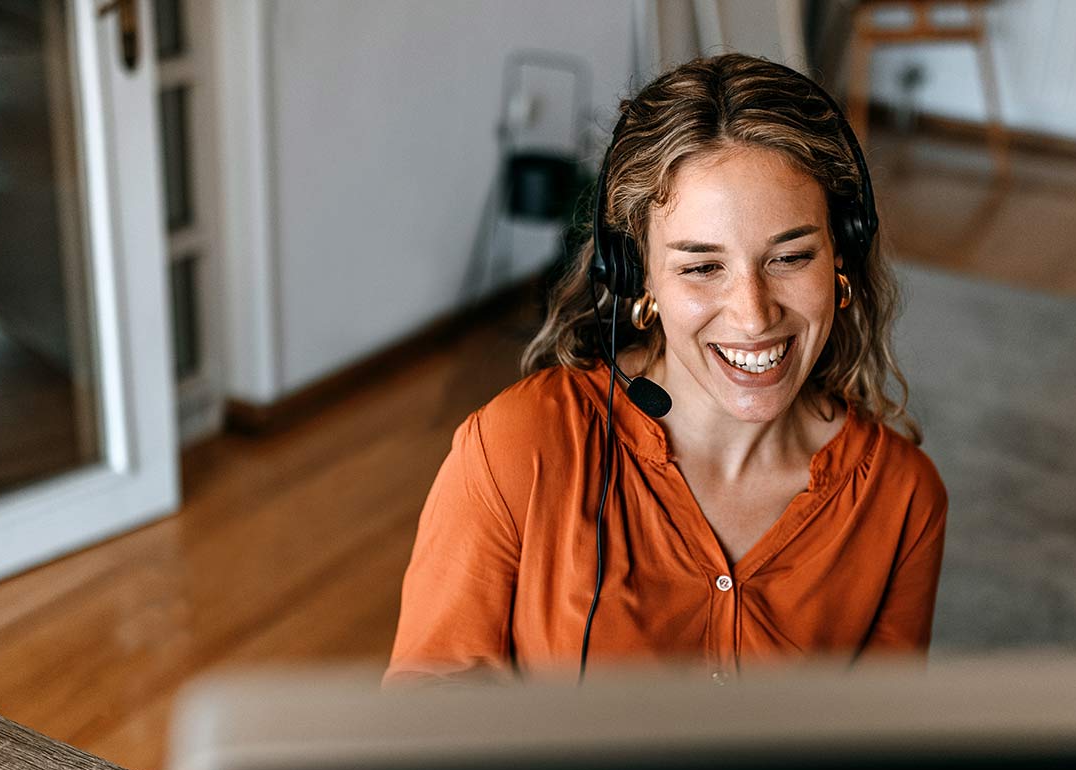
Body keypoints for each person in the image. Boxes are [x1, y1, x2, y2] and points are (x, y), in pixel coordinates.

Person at [385, 54, 947, 686]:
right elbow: (426, 738)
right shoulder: (517, 449)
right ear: (637, 276)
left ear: (840, 254)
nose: (754, 316)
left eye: (790, 256)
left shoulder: (901, 498)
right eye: (702, 267)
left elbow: (878, 759)